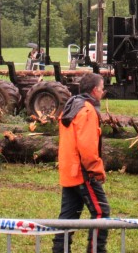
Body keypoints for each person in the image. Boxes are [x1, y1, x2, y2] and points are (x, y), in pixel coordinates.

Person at [52, 72, 110, 253]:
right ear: (94, 90)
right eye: (102, 89)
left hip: (69, 170)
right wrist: (96, 170)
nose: (103, 92)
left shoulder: (71, 105)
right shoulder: (87, 111)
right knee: (101, 212)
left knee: (68, 217)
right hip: (83, 172)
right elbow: (87, 147)